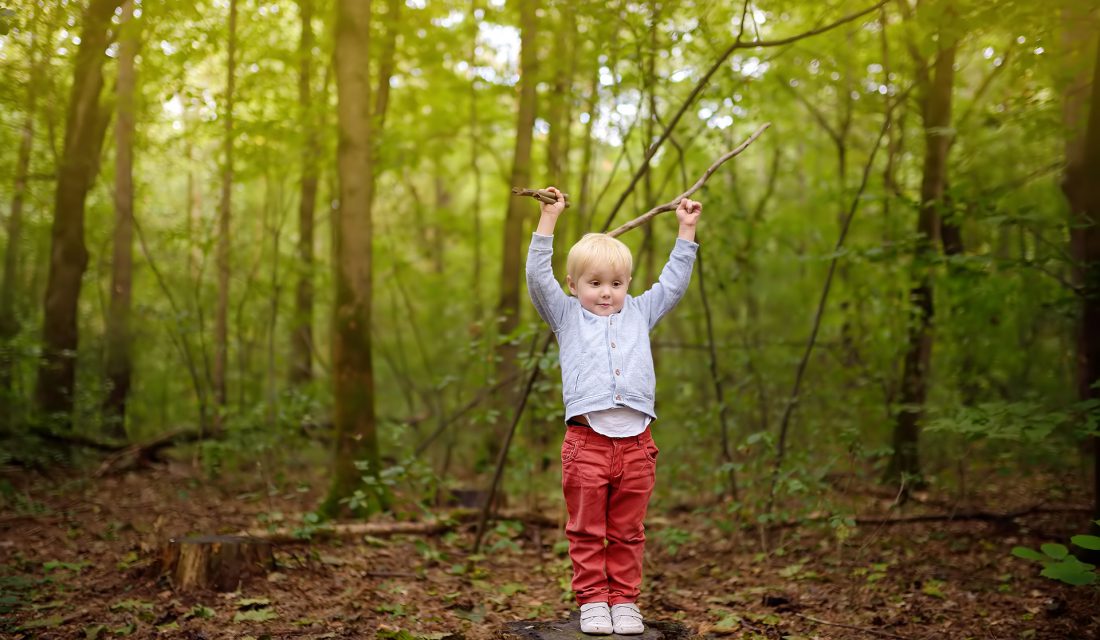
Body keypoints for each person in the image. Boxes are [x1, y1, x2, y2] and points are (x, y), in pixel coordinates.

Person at [524, 186, 701, 635]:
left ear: (627, 285)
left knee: (628, 530)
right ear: (574, 285)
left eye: (616, 284)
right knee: (585, 530)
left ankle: (624, 599)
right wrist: (549, 219)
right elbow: (537, 276)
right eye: (595, 284)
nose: (606, 294)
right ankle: (592, 601)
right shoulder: (566, 315)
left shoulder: (640, 313)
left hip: (638, 446)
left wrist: (686, 231)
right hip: (586, 445)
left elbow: (674, 284)